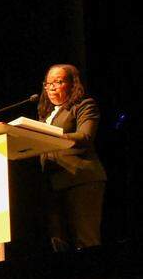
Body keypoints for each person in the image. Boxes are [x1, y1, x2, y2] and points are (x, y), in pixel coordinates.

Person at [37, 63, 107, 250]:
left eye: (57, 82)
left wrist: (48, 135)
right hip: (53, 184)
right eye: (48, 83)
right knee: (59, 243)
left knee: (86, 240)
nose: (51, 87)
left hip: (80, 179)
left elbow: (85, 136)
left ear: (72, 84)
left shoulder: (83, 105)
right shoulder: (47, 114)